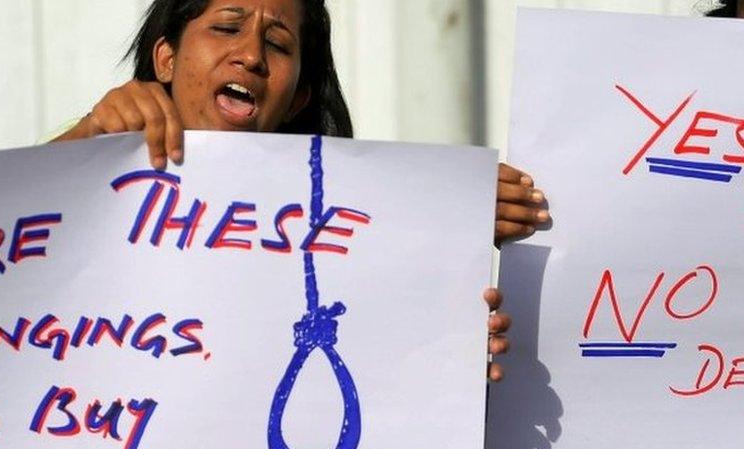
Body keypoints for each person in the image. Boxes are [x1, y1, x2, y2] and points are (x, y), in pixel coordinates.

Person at [55, 0, 542, 379]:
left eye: (279, 44)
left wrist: (443, 359)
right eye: (227, 27)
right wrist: (85, 140)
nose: (250, 56)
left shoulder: (350, 245)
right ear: (166, 58)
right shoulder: (95, 152)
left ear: (298, 99)